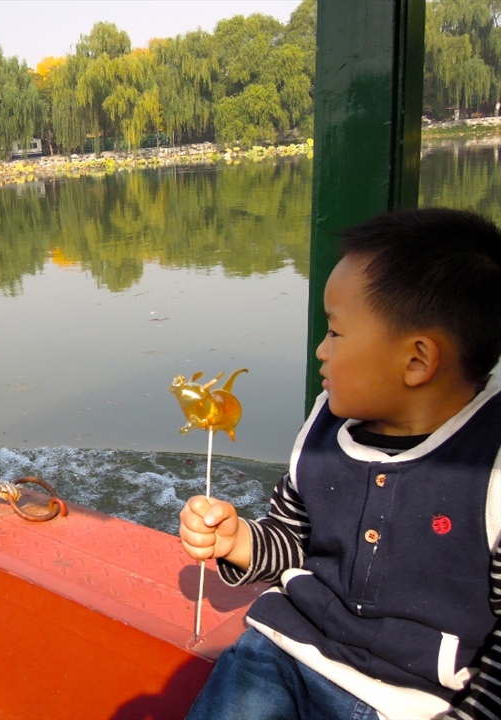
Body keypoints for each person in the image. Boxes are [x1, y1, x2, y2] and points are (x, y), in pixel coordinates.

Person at [181, 208, 501, 720]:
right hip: (283, 657)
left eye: (335, 333)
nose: (320, 351)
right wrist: (237, 542)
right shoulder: (325, 429)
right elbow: (294, 540)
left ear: (417, 360)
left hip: (415, 703)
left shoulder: (491, 469)